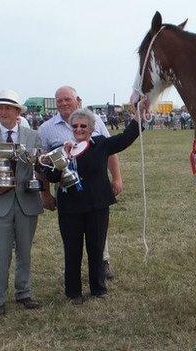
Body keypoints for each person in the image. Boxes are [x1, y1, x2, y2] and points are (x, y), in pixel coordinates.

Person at [43, 108, 141, 303]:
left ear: (91, 128)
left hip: (97, 205)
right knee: (72, 249)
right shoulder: (63, 150)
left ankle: (98, 288)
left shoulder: (101, 145)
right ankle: (73, 292)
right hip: (70, 208)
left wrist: (139, 119)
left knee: (96, 248)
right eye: (75, 126)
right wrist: (57, 163)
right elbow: (51, 176)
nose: (79, 129)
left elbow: (125, 138)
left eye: (83, 126)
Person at [38, 86, 122, 279]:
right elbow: (42, 163)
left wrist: (117, 178)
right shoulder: (46, 129)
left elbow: (109, 151)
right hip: (67, 189)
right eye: (59, 100)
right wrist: (45, 193)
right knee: (72, 235)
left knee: (98, 228)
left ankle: (103, 261)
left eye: (67, 99)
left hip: (95, 185)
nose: (63, 103)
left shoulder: (95, 120)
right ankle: (73, 275)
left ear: (78, 100)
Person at [0, 90, 43, 316]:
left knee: (25, 251)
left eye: (7, 108)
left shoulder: (33, 136)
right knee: (1, 253)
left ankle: (23, 292)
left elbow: (39, 167)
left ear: (17, 112)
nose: (2, 112)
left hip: (27, 202)